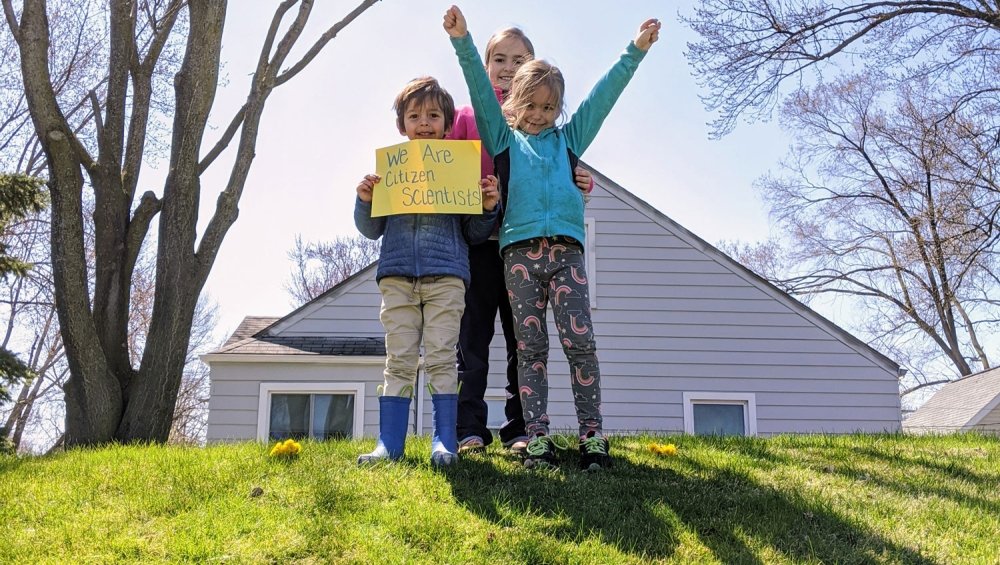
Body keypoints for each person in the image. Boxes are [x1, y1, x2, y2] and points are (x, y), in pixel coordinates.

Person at [444, 5, 660, 470]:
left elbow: (603, 98)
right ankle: (535, 436)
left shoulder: (568, 141)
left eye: (548, 108)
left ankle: (591, 435)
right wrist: (463, 40)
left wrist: (635, 51)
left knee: (580, 343)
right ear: (512, 103)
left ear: (557, 109)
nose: (539, 115)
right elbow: (479, 89)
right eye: (530, 106)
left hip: (566, 255)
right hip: (516, 256)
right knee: (530, 347)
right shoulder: (502, 140)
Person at [449, 27, 595, 456]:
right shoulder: (470, 116)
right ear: (487, 63)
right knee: (472, 340)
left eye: (519, 60)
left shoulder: (538, 119)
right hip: (478, 240)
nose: (508, 69)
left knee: (522, 343)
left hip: (521, 245)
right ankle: (469, 427)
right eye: (500, 60)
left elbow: (552, 166)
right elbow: (446, 170)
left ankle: (519, 427)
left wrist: (577, 176)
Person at [354, 76, 500, 467]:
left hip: (447, 278)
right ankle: (390, 444)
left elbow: (473, 232)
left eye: (433, 115)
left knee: (440, 357)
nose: (423, 122)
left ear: (448, 125)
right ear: (401, 125)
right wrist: (365, 200)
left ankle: (444, 441)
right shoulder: (391, 172)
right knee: (399, 358)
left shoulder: (458, 171)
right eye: (414, 115)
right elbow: (371, 230)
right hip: (398, 276)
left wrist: (487, 208)